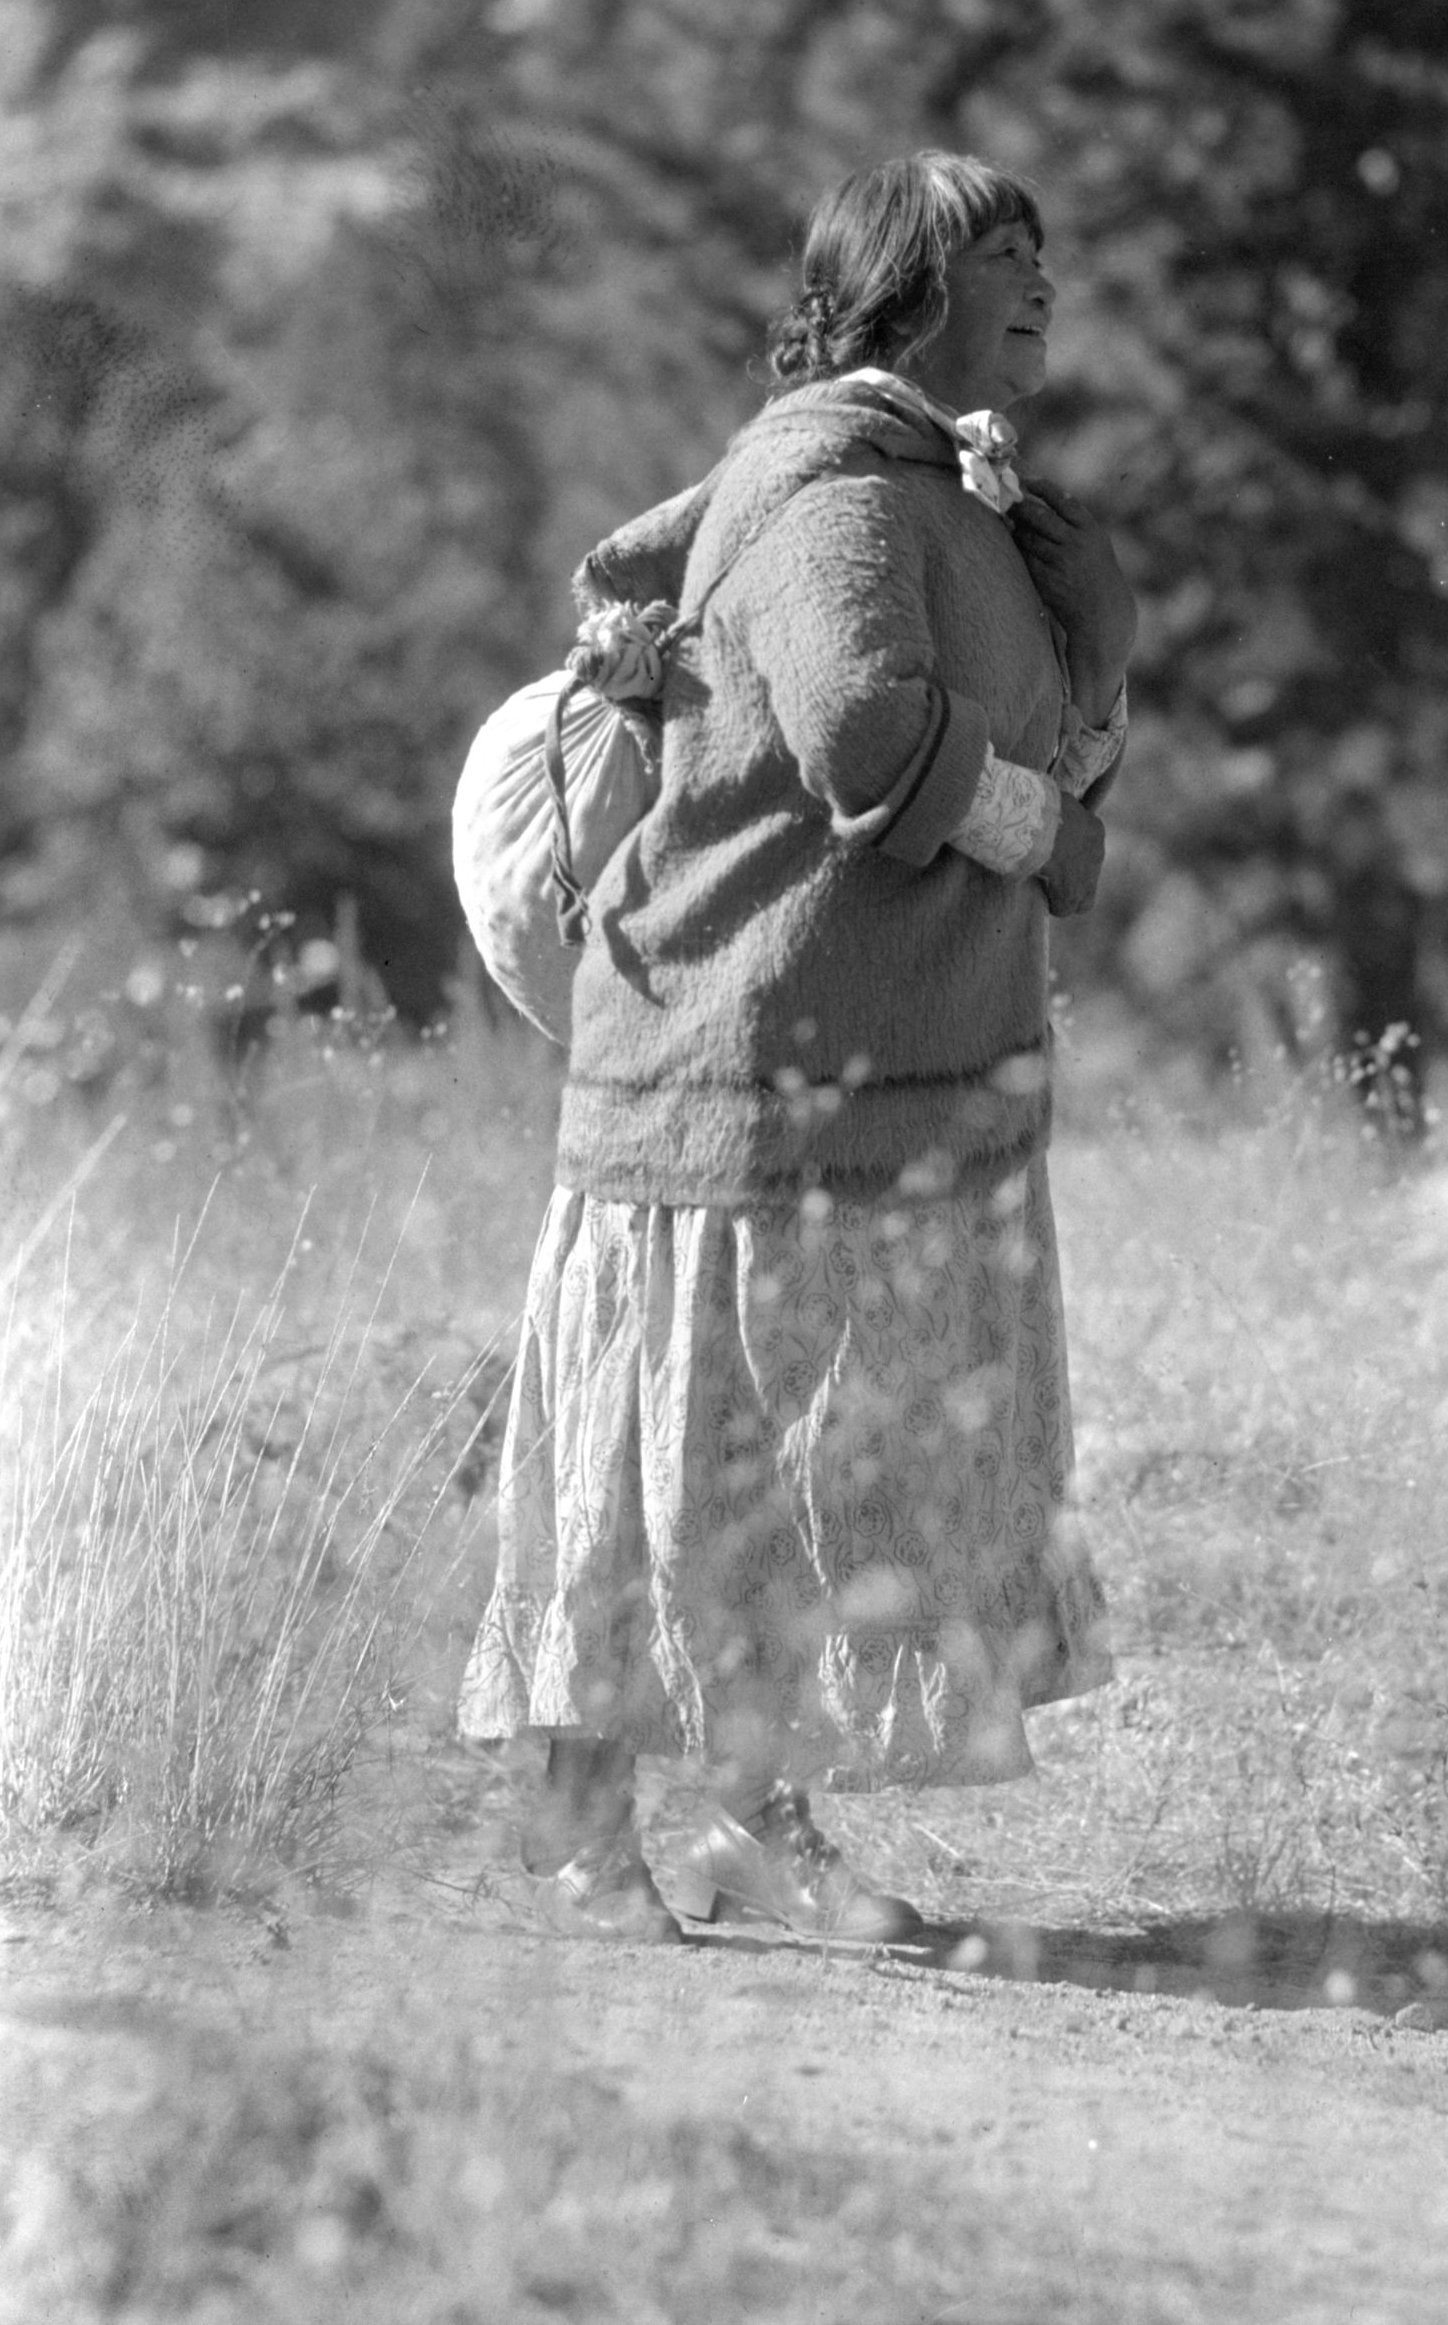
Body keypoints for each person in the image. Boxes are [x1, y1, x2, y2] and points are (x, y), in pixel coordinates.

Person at [458, 151, 1137, 1942]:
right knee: (673, 1467)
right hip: (744, 1075)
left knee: (786, 1474)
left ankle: (755, 1828)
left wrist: (1098, 628)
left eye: (1045, 247)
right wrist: (1057, 837)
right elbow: (860, 740)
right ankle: (576, 1845)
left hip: (848, 1072)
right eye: (1004, 252)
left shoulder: (944, 492)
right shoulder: (841, 493)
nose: (1043, 280)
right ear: (906, 287)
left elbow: (1029, 740)